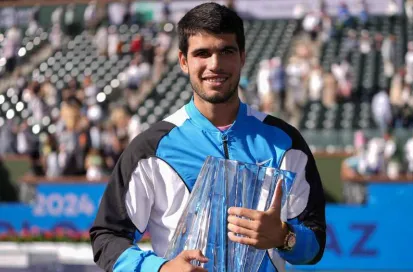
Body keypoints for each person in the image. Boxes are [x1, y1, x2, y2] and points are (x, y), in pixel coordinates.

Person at [90, 3, 326, 272]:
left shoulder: (285, 142)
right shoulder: (151, 147)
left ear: (242, 57)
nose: (215, 64)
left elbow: (315, 242)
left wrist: (285, 238)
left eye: (226, 51)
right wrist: (161, 269)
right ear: (183, 61)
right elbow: (107, 237)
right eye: (202, 53)